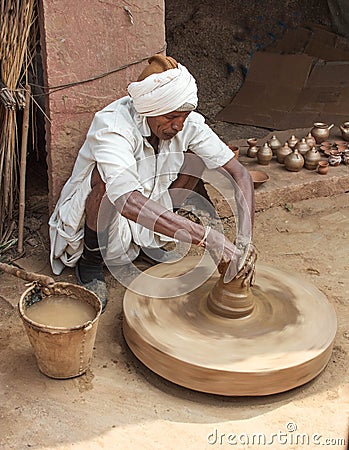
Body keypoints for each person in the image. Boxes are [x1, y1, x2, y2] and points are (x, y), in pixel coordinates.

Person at [49, 54, 256, 312]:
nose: (179, 125)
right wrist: (209, 238)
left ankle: (149, 244)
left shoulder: (186, 122)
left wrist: (245, 240)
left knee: (196, 160)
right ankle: (90, 262)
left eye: (184, 115)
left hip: (152, 205)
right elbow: (126, 200)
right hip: (109, 217)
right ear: (150, 110)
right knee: (108, 183)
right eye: (171, 117)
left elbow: (240, 174)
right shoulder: (113, 125)